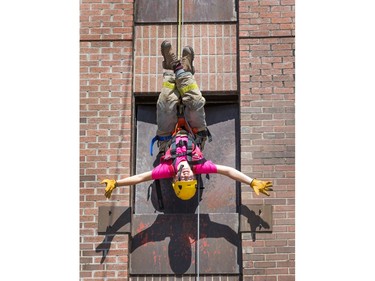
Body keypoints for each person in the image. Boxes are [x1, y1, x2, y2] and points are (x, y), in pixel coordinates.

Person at [101, 40, 273, 200]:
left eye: (183, 179)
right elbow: (228, 171)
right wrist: (251, 182)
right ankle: (182, 69)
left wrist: (116, 183)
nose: (187, 175)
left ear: (175, 179)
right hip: (194, 132)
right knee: (196, 102)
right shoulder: (200, 166)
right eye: (190, 178)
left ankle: (172, 69)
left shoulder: (166, 169)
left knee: (165, 104)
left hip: (167, 136)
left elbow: (140, 178)